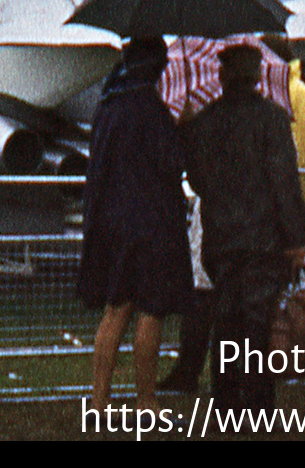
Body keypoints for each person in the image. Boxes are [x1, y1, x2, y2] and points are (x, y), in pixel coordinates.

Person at [183, 43, 305, 410]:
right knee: (257, 321)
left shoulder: (203, 123)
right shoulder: (272, 119)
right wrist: (296, 238)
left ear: (222, 76)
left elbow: (200, 182)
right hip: (264, 238)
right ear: (256, 77)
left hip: (221, 235)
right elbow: (284, 182)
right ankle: (257, 401)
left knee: (226, 318)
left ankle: (224, 399)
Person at [77, 37, 192, 414]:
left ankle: (98, 400)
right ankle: (146, 400)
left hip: (112, 223)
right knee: (150, 311)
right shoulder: (152, 111)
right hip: (152, 224)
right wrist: (184, 128)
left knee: (115, 311)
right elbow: (171, 163)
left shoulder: (108, 107)